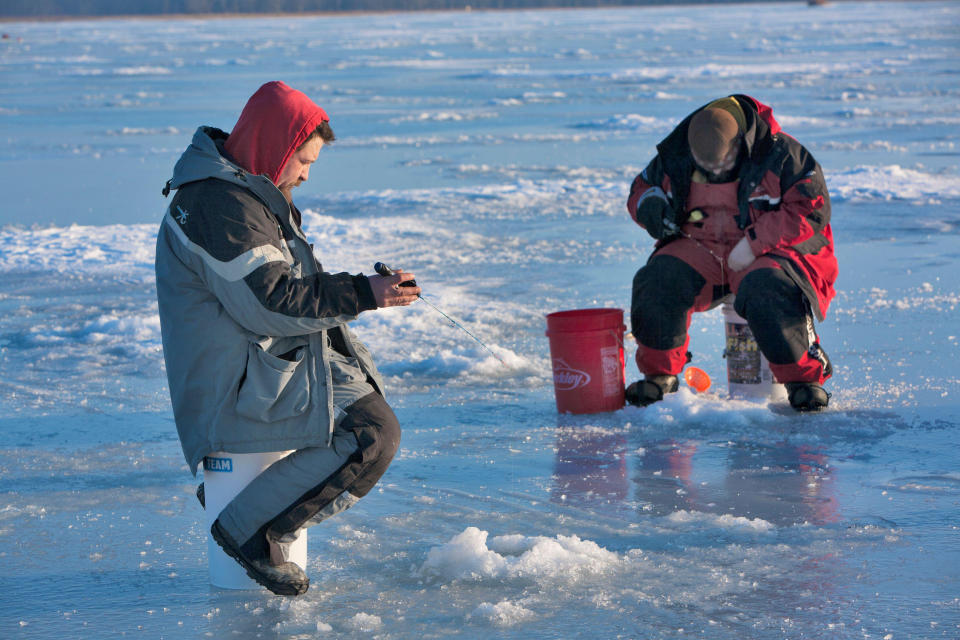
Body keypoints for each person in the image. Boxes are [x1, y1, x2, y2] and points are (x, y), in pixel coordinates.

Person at [155, 81, 420, 596]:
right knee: (370, 435)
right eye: (303, 159)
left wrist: (363, 293)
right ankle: (248, 525)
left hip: (265, 364)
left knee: (373, 424)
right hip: (235, 383)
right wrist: (364, 293)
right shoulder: (219, 206)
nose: (304, 173)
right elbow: (271, 302)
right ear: (273, 146)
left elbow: (283, 290)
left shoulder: (243, 194)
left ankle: (250, 507)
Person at [625, 95, 837, 411]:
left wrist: (754, 243)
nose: (715, 171)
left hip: (770, 251)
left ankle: (803, 380)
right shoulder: (676, 152)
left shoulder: (782, 155)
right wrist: (652, 208)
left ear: (739, 145)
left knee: (767, 287)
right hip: (702, 247)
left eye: (722, 164)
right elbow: (642, 190)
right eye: (705, 166)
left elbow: (811, 210)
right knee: (659, 278)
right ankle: (660, 375)